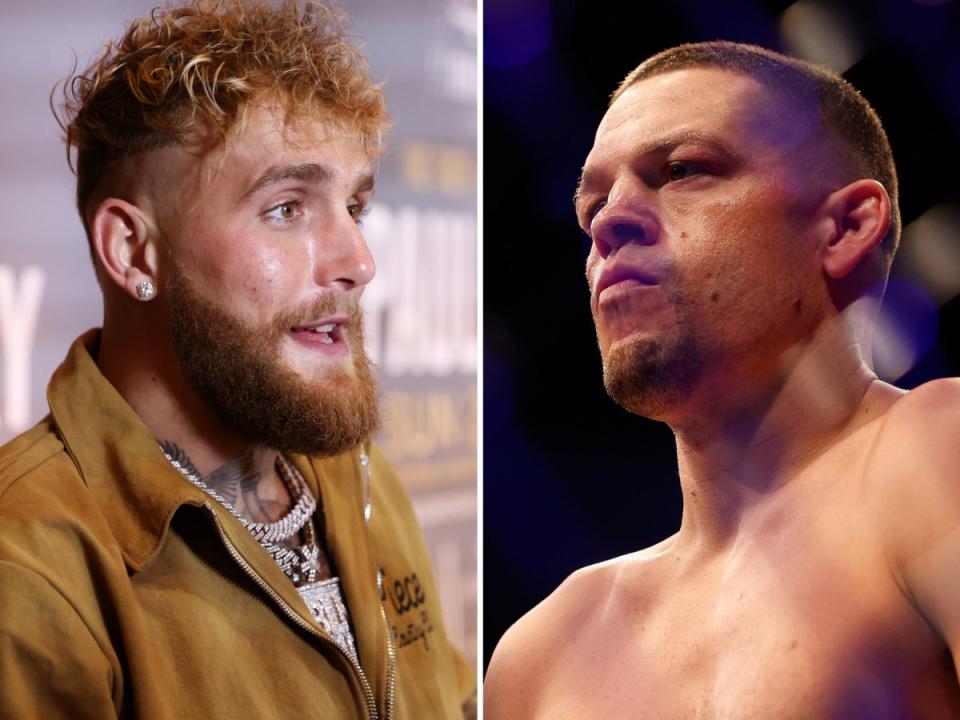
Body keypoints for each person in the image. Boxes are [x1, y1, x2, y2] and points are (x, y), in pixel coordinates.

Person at [0, 2, 475, 718]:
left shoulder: (356, 476)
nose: (360, 261)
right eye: (287, 208)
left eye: (355, 206)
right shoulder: (28, 568)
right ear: (133, 251)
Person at [485, 41, 960, 718]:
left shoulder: (938, 454)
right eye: (591, 207)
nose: (609, 223)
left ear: (845, 226)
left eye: (681, 170)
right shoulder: (543, 654)